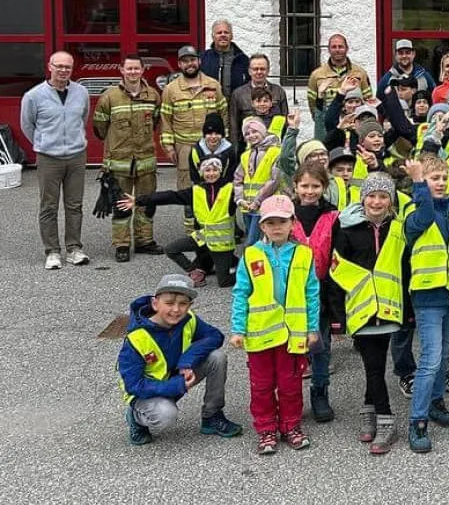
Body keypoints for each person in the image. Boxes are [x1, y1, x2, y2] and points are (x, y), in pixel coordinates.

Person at [230, 194, 320, 455]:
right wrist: (238, 329)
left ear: (293, 223)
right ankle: (266, 428)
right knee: (261, 386)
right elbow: (241, 293)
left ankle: (291, 426)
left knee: (291, 384)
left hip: (293, 335)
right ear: (262, 226)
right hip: (260, 335)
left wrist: (312, 328)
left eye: (282, 221)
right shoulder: (251, 254)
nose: (277, 227)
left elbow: (311, 293)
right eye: (271, 222)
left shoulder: (304, 254)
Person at [329, 172, 407, 455]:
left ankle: (369, 407)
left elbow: (403, 269)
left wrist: (407, 312)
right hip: (360, 311)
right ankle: (386, 419)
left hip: (388, 309)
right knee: (372, 365)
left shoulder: (397, 228)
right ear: (362, 199)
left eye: (383, 196)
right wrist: (337, 317)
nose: (376, 201)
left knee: (375, 365)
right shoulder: (347, 229)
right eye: (371, 196)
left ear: (391, 200)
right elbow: (336, 271)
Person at [118, 273, 242, 445]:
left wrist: (187, 360)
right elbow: (134, 385)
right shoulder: (137, 338)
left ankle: (212, 416)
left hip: (178, 377)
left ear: (190, 305)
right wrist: (176, 385)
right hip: (146, 392)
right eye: (169, 303)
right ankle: (136, 418)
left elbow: (215, 336)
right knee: (166, 415)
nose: (176, 310)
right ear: (155, 303)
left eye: (183, 304)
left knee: (217, 358)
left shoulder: (188, 318)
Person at [402, 156, 449, 453]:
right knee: (430, 359)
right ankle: (417, 420)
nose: (439, 182)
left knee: (444, 360)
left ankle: (437, 402)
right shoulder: (415, 215)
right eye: (433, 178)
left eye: (442, 178)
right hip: (426, 297)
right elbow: (424, 214)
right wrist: (417, 182)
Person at [120, 156, 238, 288]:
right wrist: (139, 200)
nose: (211, 173)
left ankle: (246, 271)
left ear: (220, 171)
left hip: (222, 244)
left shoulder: (230, 189)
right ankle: (195, 271)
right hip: (203, 237)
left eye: (215, 170)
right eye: (207, 170)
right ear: (202, 172)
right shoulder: (196, 191)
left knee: (224, 282)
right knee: (171, 249)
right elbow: (170, 196)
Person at [20, 51, 91, 270]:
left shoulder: (81, 93)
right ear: (49, 67)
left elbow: (83, 118)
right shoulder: (33, 96)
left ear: (72, 69)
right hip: (49, 158)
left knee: (74, 205)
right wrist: (44, 144)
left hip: (77, 156)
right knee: (48, 206)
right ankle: (52, 251)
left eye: (67, 67)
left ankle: (74, 249)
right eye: (58, 66)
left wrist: (73, 141)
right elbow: (27, 126)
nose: (63, 70)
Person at [93, 54, 163, 262]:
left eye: (136, 69)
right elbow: (99, 128)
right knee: (121, 205)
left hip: (146, 161)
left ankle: (144, 241)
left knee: (146, 204)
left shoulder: (153, 95)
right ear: (121, 71)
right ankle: (122, 244)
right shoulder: (109, 97)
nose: (133, 72)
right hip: (119, 162)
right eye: (129, 69)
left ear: (143, 70)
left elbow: (156, 122)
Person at [289, 164, 339, 423]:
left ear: (324, 187)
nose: (310, 191)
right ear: (295, 186)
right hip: (290, 294)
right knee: (292, 349)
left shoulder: (333, 216)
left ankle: (320, 393)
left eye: (315, 186)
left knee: (320, 347)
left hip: (322, 291)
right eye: (305, 186)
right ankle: (291, 397)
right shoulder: (285, 215)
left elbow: (338, 257)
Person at [160, 46, 226, 191]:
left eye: (192, 60)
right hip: (184, 146)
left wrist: (224, 142)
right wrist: (169, 147)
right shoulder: (171, 89)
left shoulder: (213, 85)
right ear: (179, 64)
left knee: (212, 186)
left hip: (211, 146)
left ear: (199, 61)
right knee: (186, 189)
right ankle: (188, 214)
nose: (190, 64)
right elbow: (165, 120)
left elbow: (224, 114)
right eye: (185, 61)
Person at [307, 34, 373, 141]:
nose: (337, 50)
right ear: (328, 49)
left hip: (354, 128)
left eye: (340, 46)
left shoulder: (360, 73)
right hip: (328, 128)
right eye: (334, 47)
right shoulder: (317, 75)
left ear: (347, 48)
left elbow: (368, 101)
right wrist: (323, 121)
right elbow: (313, 106)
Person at [233, 117, 284, 246]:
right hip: (247, 207)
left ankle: (246, 265)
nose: (251, 136)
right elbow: (238, 179)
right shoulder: (246, 155)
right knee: (256, 242)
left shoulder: (275, 152)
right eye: (247, 134)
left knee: (252, 243)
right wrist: (239, 199)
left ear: (263, 132)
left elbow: (274, 180)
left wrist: (257, 201)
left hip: (265, 206)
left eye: (255, 132)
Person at [229, 54, 288, 150]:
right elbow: (234, 126)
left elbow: (286, 122)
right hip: (249, 148)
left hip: (274, 147)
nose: (259, 72)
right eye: (255, 69)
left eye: (262, 69)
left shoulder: (278, 91)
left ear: (268, 70)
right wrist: (235, 150)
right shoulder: (238, 94)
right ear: (249, 71)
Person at [199, 19, 249, 128]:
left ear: (231, 36)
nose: (223, 35)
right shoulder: (203, 59)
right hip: (209, 111)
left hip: (236, 112)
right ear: (213, 36)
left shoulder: (243, 60)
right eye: (219, 33)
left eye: (226, 32)